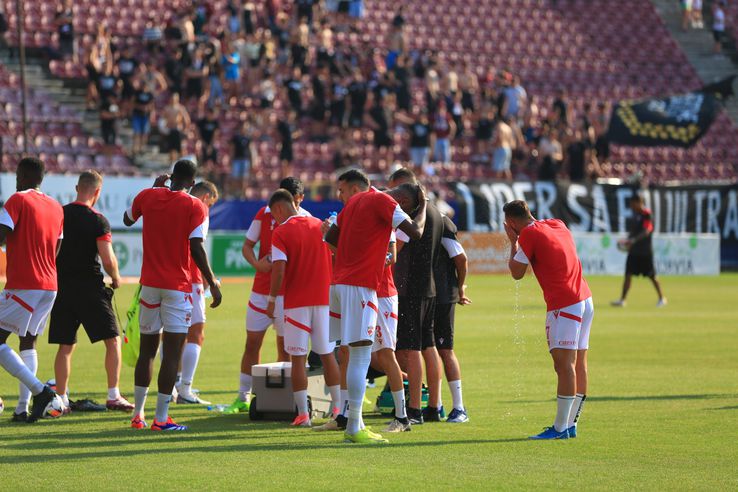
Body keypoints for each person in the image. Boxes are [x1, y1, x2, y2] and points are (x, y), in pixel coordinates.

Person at [324, 169, 427, 444]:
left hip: (341, 283)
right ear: (403, 204)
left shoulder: (355, 202)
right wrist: (425, 207)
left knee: (352, 353)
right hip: (360, 286)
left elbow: (330, 239)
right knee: (359, 356)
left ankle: (355, 421)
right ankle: (354, 428)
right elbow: (416, 232)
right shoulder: (384, 202)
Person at [123, 160, 222, 431]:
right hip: (178, 286)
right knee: (171, 353)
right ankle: (161, 418)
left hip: (150, 284)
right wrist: (212, 281)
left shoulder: (149, 195)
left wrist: (154, 188)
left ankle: (138, 415)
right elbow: (196, 246)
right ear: (191, 182)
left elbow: (127, 219)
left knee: (147, 352)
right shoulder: (194, 206)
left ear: (171, 176)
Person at [504, 199, 593, 440]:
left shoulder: (529, 235)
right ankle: (570, 423)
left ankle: (560, 428)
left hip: (564, 303)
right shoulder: (557, 223)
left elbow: (516, 272)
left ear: (511, 223)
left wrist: (513, 241)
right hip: (585, 298)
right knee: (578, 363)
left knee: (563, 366)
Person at [222, 178, 310, 414]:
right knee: (252, 343)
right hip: (261, 292)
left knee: (286, 347)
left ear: (299, 199)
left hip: (288, 296)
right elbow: (247, 246)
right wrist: (257, 265)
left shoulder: (307, 219)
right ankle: (243, 396)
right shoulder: (265, 213)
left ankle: (286, 398)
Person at [48, 171, 133, 413]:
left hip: (62, 287)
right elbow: (107, 259)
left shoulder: (59, 214)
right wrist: (116, 277)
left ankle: (62, 397)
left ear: (77, 187)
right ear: (97, 192)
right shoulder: (98, 220)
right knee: (112, 341)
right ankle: (113, 395)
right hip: (90, 288)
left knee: (65, 346)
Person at [266, 190, 341, 427]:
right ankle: (338, 409)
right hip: (324, 299)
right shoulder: (320, 225)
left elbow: (279, 268)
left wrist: (271, 299)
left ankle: (303, 415)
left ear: (278, 209)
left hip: (297, 302)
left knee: (297, 357)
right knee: (328, 356)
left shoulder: (281, 232)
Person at [0, 157, 63, 423]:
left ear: (22, 175)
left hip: (25, 283)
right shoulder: (56, 206)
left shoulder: (17, 200)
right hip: (49, 284)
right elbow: (57, 247)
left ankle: (41, 392)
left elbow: (2, 235)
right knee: (28, 342)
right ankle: (21, 409)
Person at [389, 168, 444, 425]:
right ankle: (434, 405)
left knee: (410, 349)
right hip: (430, 287)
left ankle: (414, 409)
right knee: (428, 346)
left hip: (409, 288)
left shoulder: (410, 217)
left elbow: (395, 251)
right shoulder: (435, 212)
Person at [175, 181, 220, 404]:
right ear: (206, 196)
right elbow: (197, 246)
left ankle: (175, 384)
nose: (209, 208)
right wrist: (209, 279)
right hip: (190, 278)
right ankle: (185, 389)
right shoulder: (198, 209)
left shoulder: (174, 205)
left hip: (169, 277)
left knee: (172, 334)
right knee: (196, 332)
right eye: (211, 202)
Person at [433, 215, 471, 423]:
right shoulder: (411, 220)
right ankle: (436, 404)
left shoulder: (441, 222)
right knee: (427, 350)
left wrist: (460, 288)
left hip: (443, 294)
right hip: (425, 295)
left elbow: (461, 257)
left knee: (445, 350)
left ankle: (459, 407)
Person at [612, 195, 667, 308]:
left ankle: (662, 298)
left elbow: (647, 230)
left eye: (632, 204)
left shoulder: (647, 214)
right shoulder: (635, 215)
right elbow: (634, 232)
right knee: (628, 275)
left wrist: (633, 240)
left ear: (638, 202)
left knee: (652, 276)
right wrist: (626, 241)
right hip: (634, 252)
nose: (631, 206)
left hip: (645, 252)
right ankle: (622, 300)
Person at [161, 92, 191, 163]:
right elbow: (163, 120)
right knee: (171, 148)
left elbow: (186, 119)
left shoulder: (180, 108)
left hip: (178, 129)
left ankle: (182, 162)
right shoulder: (167, 108)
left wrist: (185, 129)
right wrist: (165, 127)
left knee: (180, 147)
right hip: (170, 130)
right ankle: (172, 163)